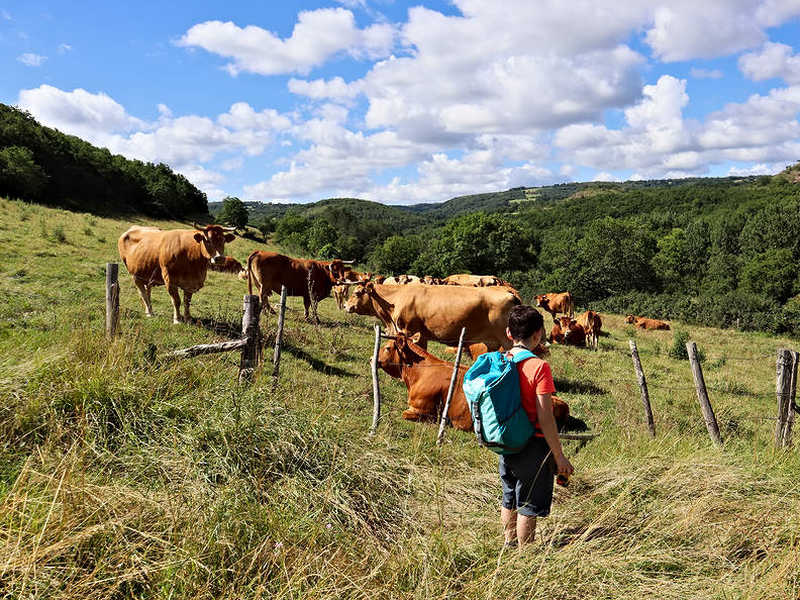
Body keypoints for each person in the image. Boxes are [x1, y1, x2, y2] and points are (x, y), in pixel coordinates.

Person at [500, 304, 574, 548]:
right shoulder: (539, 367)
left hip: (506, 442)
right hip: (533, 444)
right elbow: (545, 416)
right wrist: (559, 455)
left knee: (509, 497)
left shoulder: (501, 361)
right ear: (538, 334)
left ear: (509, 334)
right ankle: (525, 557)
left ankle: (508, 544)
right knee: (529, 504)